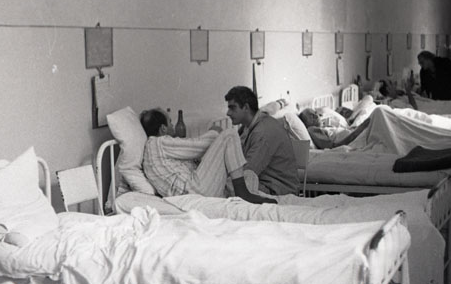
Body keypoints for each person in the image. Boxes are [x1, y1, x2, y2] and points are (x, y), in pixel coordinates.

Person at [140, 108, 275, 204]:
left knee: (249, 175)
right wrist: (214, 131)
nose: (173, 126)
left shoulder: (157, 149)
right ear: (163, 129)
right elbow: (198, 146)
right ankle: (243, 194)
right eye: (170, 122)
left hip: (196, 188)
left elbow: (193, 157)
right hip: (193, 191)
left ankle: (245, 198)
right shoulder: (158, 143)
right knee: (229, 135)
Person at [224, 86, 299, 196]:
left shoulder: (263, 132)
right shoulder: (248, 127)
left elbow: (248, 171)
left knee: (225, 187)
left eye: (232, 108)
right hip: (266, 182)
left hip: (277, 189)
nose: (228, 113)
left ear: (246, 107)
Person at [298, 108, 371, 149]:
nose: (316, 116)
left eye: (315, 113)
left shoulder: (325, 128)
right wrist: (358, 131)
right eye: (311, 116)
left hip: (360, 136)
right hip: (357, 140)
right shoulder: (311, 130)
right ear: (305, 123)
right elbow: (334, 147)